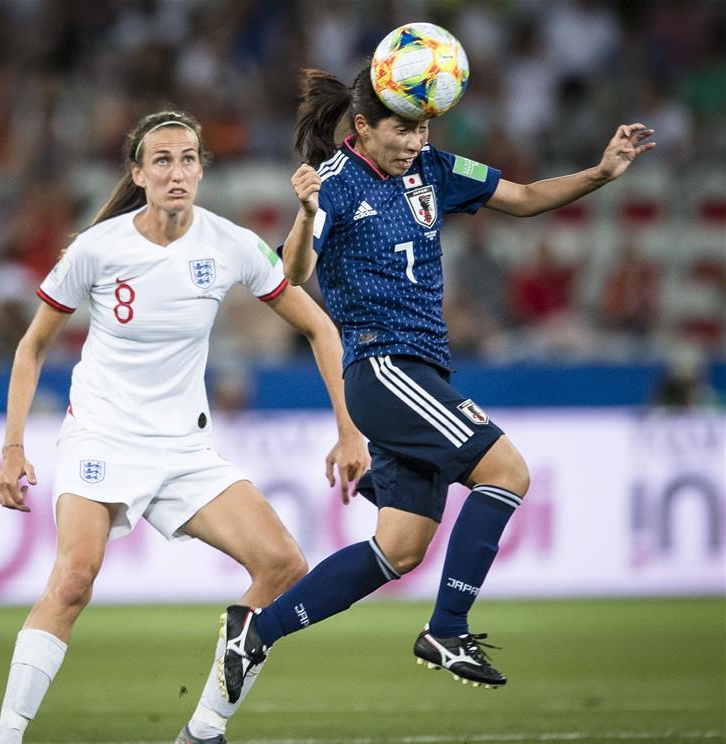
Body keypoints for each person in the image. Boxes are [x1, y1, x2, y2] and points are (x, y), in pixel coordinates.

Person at [219, 64, 655, 701]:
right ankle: (448, 628)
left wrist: (600, 172)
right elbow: (297, 269)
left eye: (422, 127)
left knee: (399, 549)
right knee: (507, 472)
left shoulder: (436, 170)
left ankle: (256, 632)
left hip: (419, 370)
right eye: (402, 129)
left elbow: (526, 198)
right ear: (363, 127)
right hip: (383, 366)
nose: (415, 141)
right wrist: (305, 210)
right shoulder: (334, 185)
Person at [0, 110, 369, 744]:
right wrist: (13, 447)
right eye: (161, 160)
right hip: (100, 435)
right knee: (74, 580)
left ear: (201, 170)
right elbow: (33, 344)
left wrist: (348, 429)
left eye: (187, 159)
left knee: (282, 564)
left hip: (183, 451)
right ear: (138, 174)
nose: (176, 171)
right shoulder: (98, 248)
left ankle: (204, 733)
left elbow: (321, 329)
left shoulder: (231, 244)